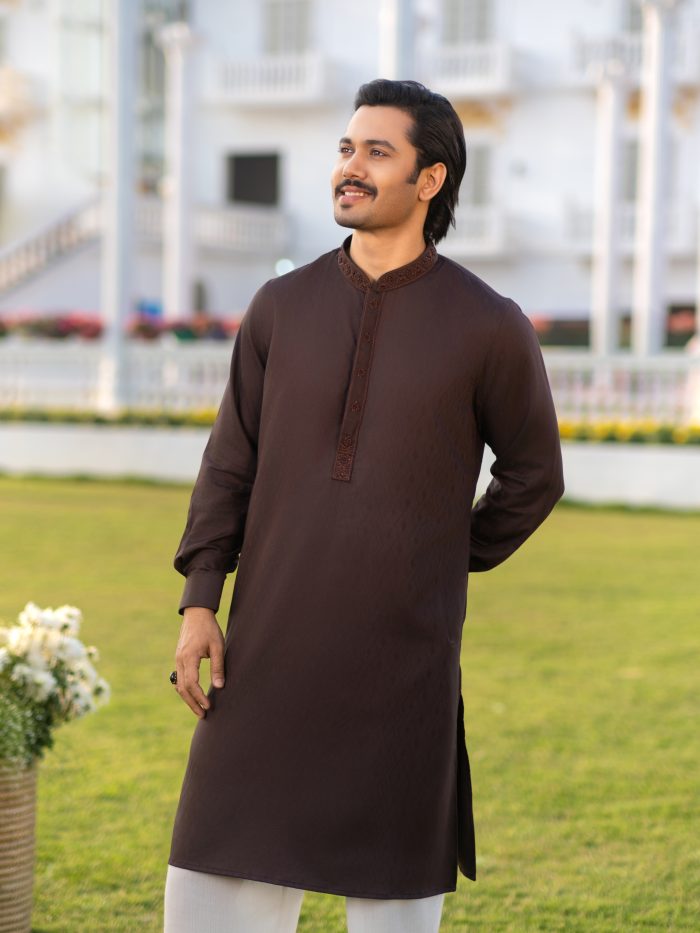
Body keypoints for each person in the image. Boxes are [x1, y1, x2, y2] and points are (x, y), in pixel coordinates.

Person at [163, 78, 565, 933]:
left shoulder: (488, 324)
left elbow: (536, 474)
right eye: (347, 148)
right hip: (264, 659)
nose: (350, 166)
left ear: (430, 179)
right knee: (209, 896)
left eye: (377, 151)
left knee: (392, 905)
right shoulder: (280, 308)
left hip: (402, 673)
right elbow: (229, 463)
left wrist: (440, 551)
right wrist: (200, 601)